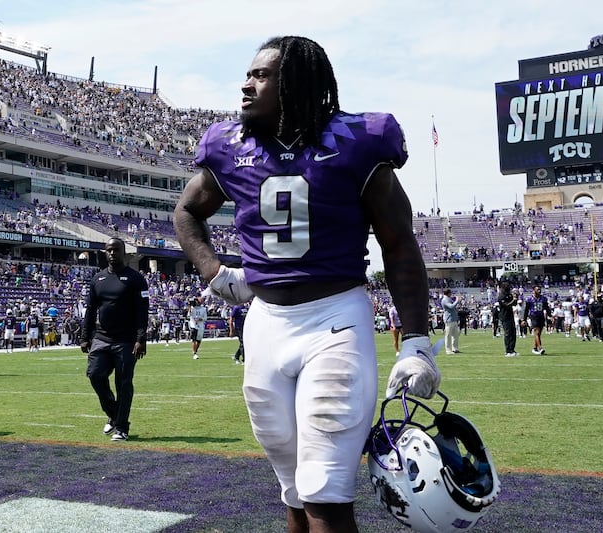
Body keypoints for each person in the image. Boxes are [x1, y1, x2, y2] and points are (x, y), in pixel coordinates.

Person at [173, 35, 440, 532]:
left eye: (261, 75)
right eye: (249, 75)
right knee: (294, 488)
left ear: (295, 83)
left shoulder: (357, 140)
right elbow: (187, 211)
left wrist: (418, 342)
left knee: (325, 490)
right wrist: (213, 272)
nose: (246, 85)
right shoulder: (230, 145)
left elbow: (399, 243)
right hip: (265, 323)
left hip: (334, 320)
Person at [81, 237, 149, 441]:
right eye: (109, 250)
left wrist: (141, 339)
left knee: (124, 383)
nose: (112, 253)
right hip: (101, 338)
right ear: (105, 253)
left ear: (124, 252)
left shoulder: (136, 279)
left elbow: (142, 310)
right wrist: (85, 336)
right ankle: (114, 413)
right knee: (95, 375)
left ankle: (122, 428)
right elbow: (91, 309)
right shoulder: (98, 279)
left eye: (116, 250)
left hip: (126, 340)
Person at [523, 285, 550, 355]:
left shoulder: (543, 299)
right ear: (534, 290)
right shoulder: (529, 299)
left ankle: (535, 348)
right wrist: (524, 319)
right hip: (533, 316)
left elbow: (547, 308)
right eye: (537, 289)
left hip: (541, 317)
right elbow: (526, 310)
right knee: (536, 332)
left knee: (538, 334)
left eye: (540, 289)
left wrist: (550, 316)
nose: (539, 291)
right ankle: (540, 348)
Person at [497, 281, 519, 357]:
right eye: (508, 286)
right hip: (504, 316)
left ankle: (512, 349)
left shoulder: (509, 294)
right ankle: (507, 350)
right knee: (508, 333)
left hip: (510, 315)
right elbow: (506, 305)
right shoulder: (501, 296)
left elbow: (514, 304)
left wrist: (516, 298)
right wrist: (513, 300)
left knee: (513, 332)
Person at [441, 288, 461, 354]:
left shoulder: (448, 299)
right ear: (448, 293)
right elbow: (451, 306)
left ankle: (455, 348)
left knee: (455, 335)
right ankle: (448, 350)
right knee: (448, 335)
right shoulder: (445, 300)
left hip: (453, 319)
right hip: (449, 319)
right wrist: (457, 300)